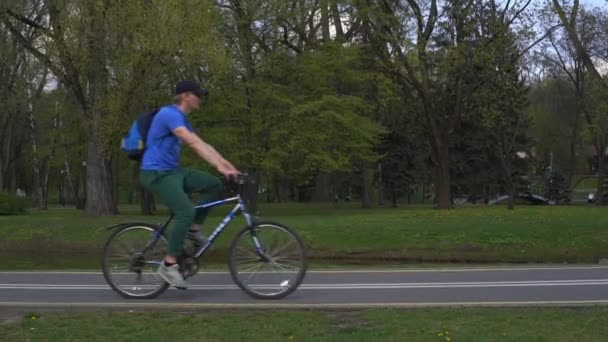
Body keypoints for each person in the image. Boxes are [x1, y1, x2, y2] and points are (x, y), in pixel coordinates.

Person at [140, 80, 240, 289]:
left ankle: (193, 229)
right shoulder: (169, 114)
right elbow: (193, 144)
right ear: (186, 96)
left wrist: (227, 166)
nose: (200, 99)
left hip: (173, 172)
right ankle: (169, 265)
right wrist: (221, 167)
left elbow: (204, 145)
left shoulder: (183, 119)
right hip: (156, 173)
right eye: (198, 95)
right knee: (185, 211)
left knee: (213, 184)